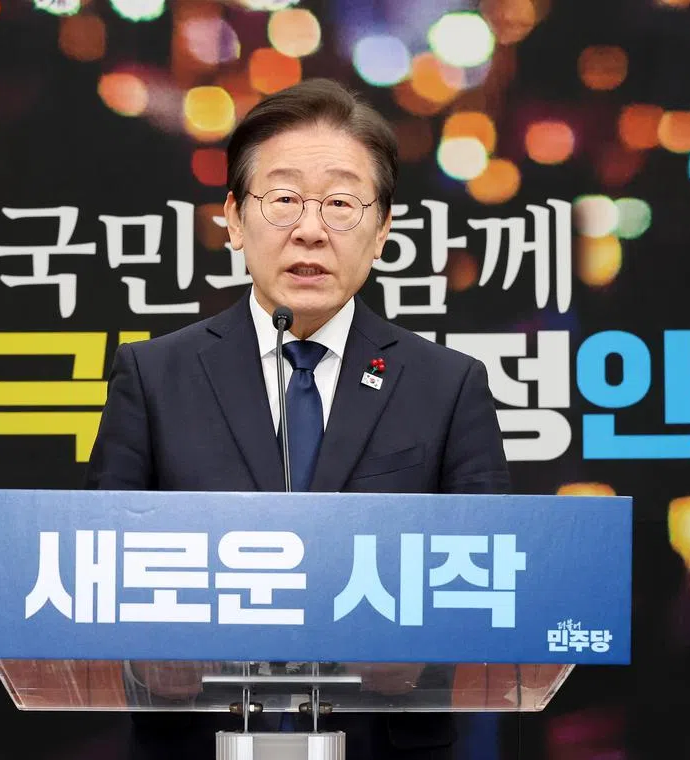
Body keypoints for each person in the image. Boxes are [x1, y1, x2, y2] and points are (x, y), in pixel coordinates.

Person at [84, 77, 511, 759]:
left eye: (341, 204)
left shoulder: (448, 386)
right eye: (283, 200)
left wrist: (425, 647)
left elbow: (494, 579)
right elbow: (97, 566)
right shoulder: (154, 378)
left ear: (382, 232)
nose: (310, 229)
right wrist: (151, 649)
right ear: (232, 217)